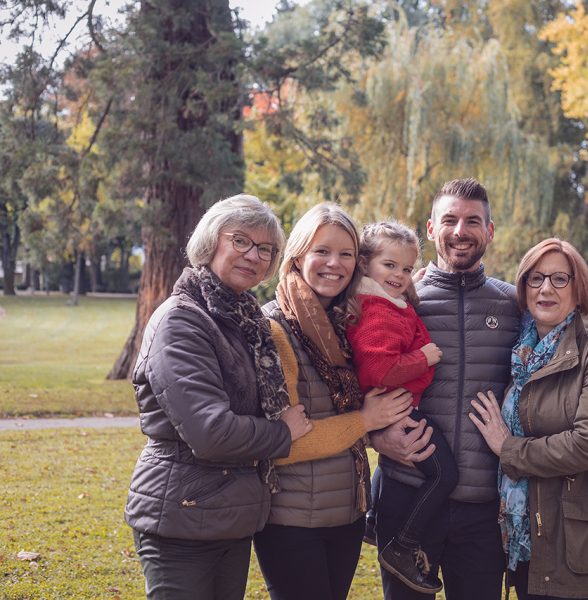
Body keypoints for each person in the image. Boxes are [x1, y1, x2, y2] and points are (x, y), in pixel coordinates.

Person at [125, 194, 312, 600]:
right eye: (240, 241)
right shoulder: (182, 319)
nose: (253, 255)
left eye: (265, 248)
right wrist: (282, 433)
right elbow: (210, 432)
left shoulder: (243, 319)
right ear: (211, 242)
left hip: (228, 515)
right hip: (182, 515)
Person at [253, 203, 414, 600]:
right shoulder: (275, 328)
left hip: (346, 513)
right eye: (321, 251)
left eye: (346, 254)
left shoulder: (345, 324)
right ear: (297, 256)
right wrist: (366, 421)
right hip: (290, 520)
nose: (334, 264)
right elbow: (285, 444)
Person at [371, 178, 520, 600]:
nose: (460, 231)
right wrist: (374, 435)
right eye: (450, 220)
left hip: (483, 507)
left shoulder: (513, 306)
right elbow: (355, 379)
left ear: (489, 232)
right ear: (431, 229)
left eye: (473, 221)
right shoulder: (399, 302)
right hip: (407, 495)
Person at [469, 238, 588, 600]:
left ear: (579, 292)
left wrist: (508, 449)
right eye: (536, 279)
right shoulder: (518, 357)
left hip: (585, 551)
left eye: (560, 279)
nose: (546, 288)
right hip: (529, 545)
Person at [346, 220, 458, 594]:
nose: (399, 275)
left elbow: (401, 307)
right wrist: (424, 359)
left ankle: (376, 521)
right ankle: (403, 545)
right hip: (401, 410)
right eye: (389, 265)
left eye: (406, 268)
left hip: (402, 406)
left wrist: (408, 282)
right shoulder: (377, 309)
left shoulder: (385, 298)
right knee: (444, 475)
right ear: (364, 265)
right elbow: (380, 367)